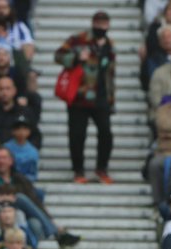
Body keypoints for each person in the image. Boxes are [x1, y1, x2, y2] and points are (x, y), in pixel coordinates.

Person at [54, 11, 115, 184]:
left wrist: (111, 99)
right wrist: (74, 57)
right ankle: (78, 170)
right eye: (99, 23)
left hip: (102, 97)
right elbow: (57, 55)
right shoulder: (78, 39)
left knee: (106, 133)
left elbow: (110, 74)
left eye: (105, 24)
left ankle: (101, 168)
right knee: (77, 135)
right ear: (93, 23)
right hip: (80, 96)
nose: (101, 27)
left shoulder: (110, 44)